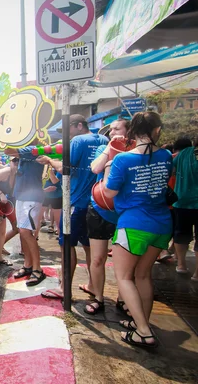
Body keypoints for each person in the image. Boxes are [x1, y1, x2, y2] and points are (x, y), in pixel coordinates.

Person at [103, 111, 172, 348]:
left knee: (123, 277)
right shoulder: (166, 156)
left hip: (133, 224)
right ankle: (141, 322)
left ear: (132, 131)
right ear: (157, 130)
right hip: (162, 223)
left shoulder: (123, 160)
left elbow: (109, 193)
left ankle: (143, 331)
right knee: (143, 275)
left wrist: (108, 170)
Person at [37, 114, 108, 299]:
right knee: (89, 247)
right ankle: (93, 285)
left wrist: (50, 161)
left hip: (76, 203)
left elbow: (64, 168)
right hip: (96, 203)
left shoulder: (77, 141)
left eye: (67, 129)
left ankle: (64, 288)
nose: (66, 135)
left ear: (78, 126)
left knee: (66, 245)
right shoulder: (103, 139)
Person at [83, 117, 130, 315]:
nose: (112, 132)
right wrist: (111, 148)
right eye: (110, 130)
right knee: (97, 258)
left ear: (129, 131)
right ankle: (98, 297)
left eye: (117, 129)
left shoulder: (137, 151)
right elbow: (95, 168)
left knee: (126, 264)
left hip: (125, 212)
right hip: (99, 208)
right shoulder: (105, 147)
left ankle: (124, 298)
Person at [4, 146, 45, 287]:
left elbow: (8, 150)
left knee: (26, 232)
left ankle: (37, 269)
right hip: (21, 197)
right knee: (23, 232)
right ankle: (28, 265)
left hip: (31, 198)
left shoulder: (33, 149)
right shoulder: (23, 152)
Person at [172, 135, 198, 280]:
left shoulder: (185, 153)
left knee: (181, 234)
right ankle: (197, 274)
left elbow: (170, 169)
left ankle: (181, 265)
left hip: (182, 201)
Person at [42, 166, 62, 234]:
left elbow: (55, 181)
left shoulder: (59, 165)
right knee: (37, 218)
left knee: (58, 220)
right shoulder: (44, 166)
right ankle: (35, 236)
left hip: (57, 195)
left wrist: (50, 168)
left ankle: (58, 232)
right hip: (44, 195)